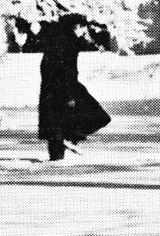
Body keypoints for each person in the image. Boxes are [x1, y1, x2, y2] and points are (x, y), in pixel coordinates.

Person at [37, 14, 112, 161]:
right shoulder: (68, 43)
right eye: (82, 27)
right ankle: (69, 139)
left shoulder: (57, 41)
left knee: (56, 127)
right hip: (66, 87)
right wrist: (69, 95)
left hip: (51, 89)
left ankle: (59, 153)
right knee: (96, 116)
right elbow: (66, 70)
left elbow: (46, 67)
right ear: (75, 27)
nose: (83, 31)